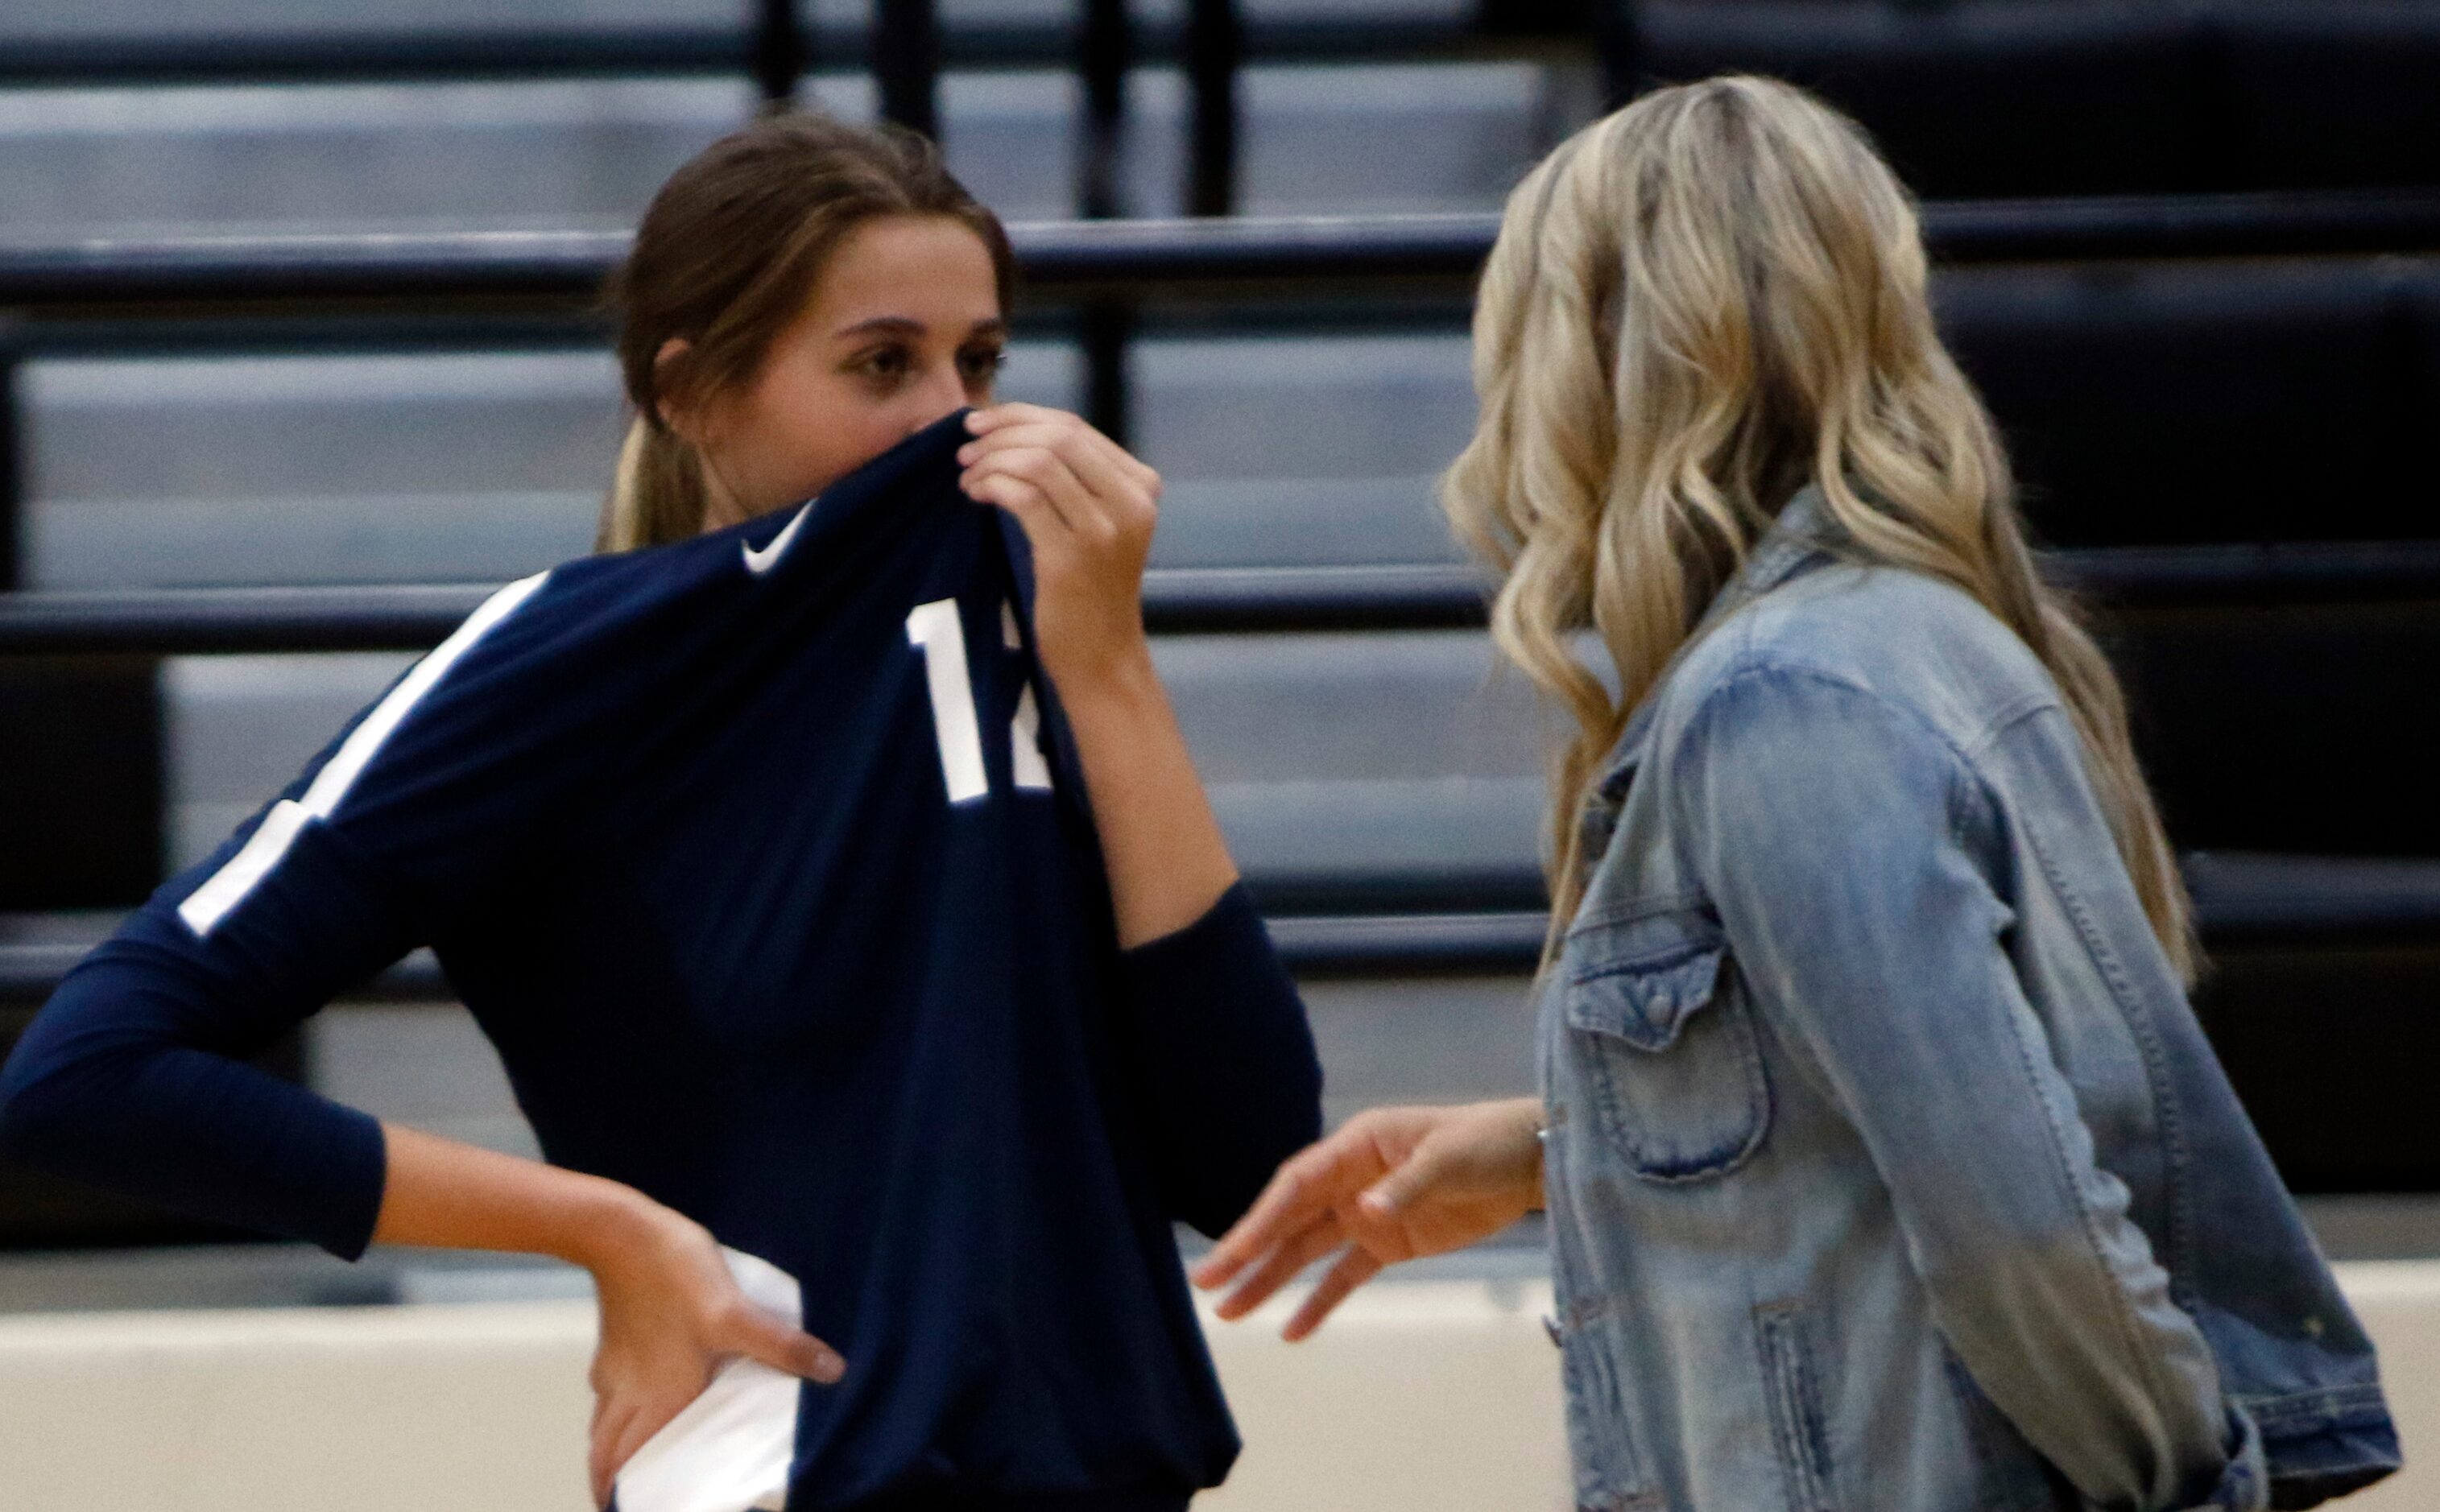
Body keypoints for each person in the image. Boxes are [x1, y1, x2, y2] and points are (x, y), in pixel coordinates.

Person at [0, 113, 1321, 1512]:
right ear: (692, 392)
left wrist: (1108, 668)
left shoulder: (1049, 635)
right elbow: (86, 1074)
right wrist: (605, 1230)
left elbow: (1255, 1172)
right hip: (788, 1475)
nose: (959, 425)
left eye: (980, 361)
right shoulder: (568, 659)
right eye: (884, 364)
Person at [1193, 76, 2398, 1512]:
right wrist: (1552, 1147)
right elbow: (1902, 1121)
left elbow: (2018, 1222)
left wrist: (2191, 1487)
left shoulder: (1788, 702)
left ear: (1582, 353)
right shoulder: (1910, 639)